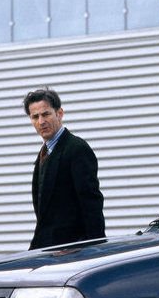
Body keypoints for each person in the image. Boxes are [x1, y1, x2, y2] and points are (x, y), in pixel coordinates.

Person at [23, 88, 105, 249]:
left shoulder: (77, 149)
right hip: (46, 250)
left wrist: (95, 249)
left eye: (46, 114)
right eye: (35, 117)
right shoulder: (44, 153)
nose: (41, 121)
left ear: (59, 113)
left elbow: (91, 204)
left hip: (72, 252)